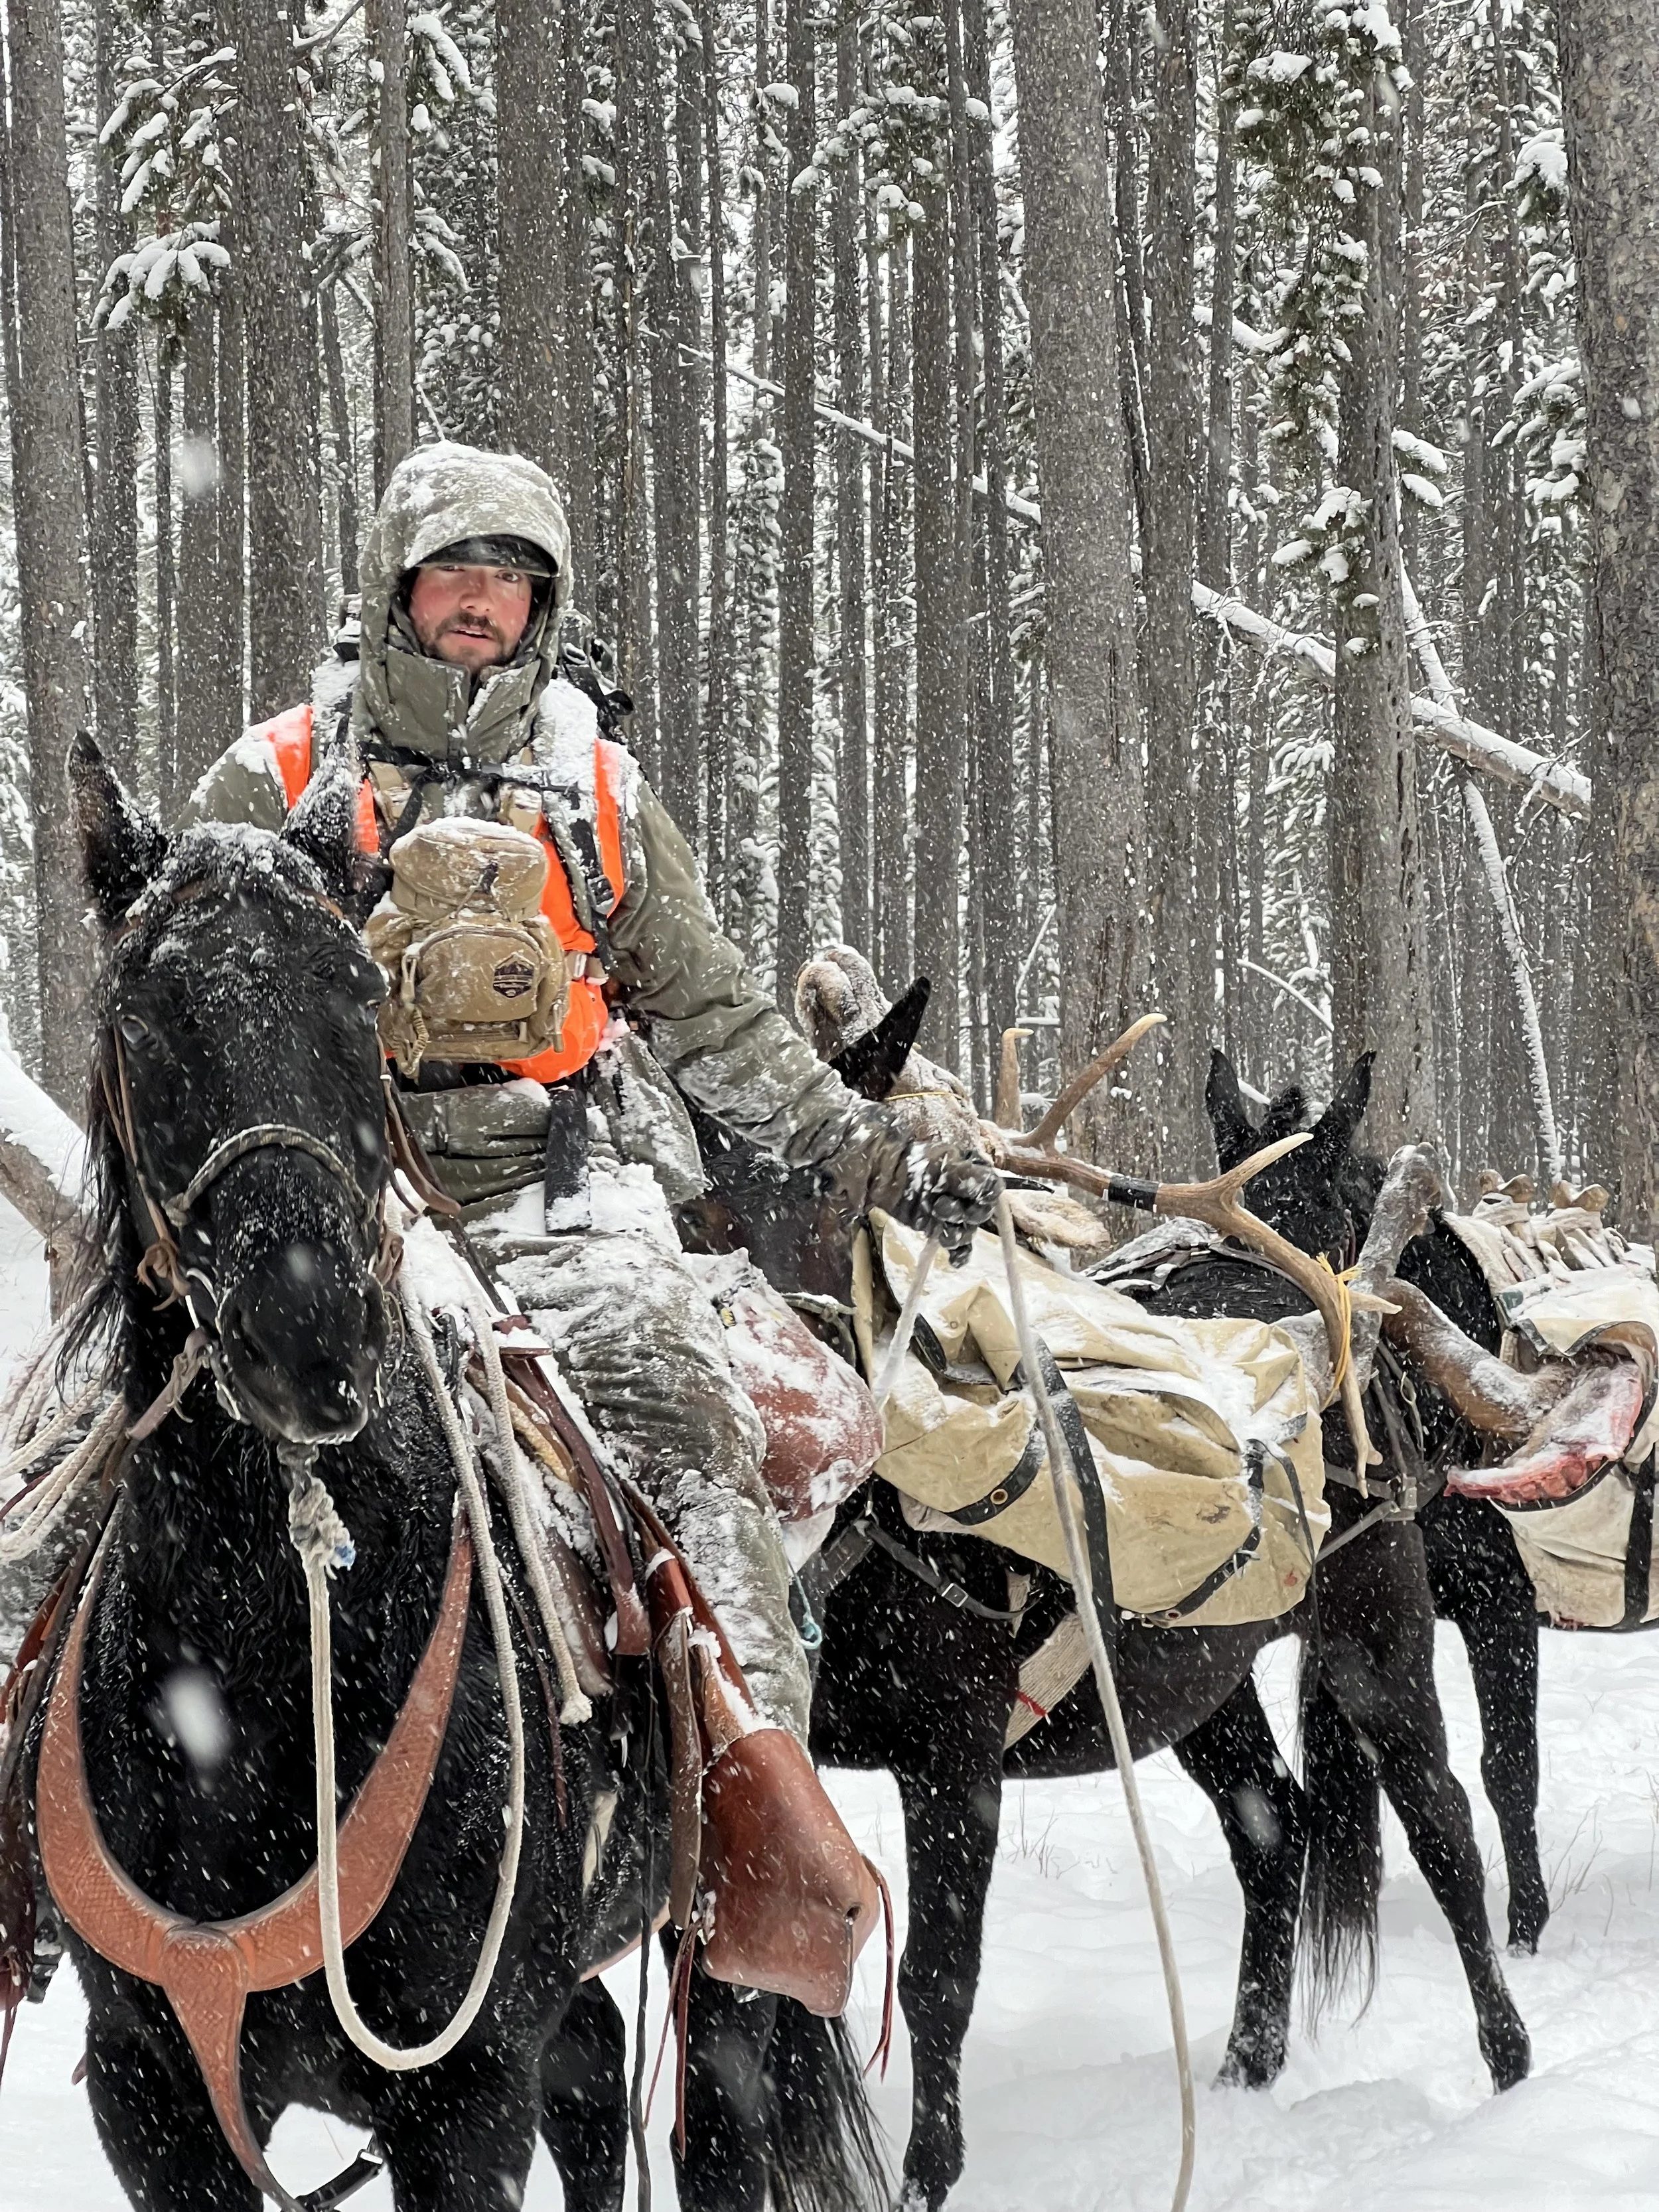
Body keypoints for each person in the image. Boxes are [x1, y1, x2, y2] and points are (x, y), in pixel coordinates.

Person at [188, 439, 998, 1741]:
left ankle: (757, 1820)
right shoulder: (276, 774)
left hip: (557, 1202)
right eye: (448, 567)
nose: (476, 597)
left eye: (507, 576)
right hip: (337, 1199)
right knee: (136, 1445)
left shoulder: (594, 792)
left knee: (698, 1450)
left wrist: (865, 1149)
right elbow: (184, 1005)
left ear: (541, 603)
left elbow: (713, 1009)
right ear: (392, 584)